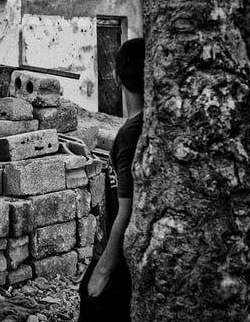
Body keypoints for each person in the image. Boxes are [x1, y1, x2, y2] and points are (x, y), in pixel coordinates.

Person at [78, 38, 145, 321]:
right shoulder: (145, 126)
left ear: (116, 76)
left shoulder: (131, 135)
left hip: (120, 261)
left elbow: (127, 209)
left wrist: (103, 271)